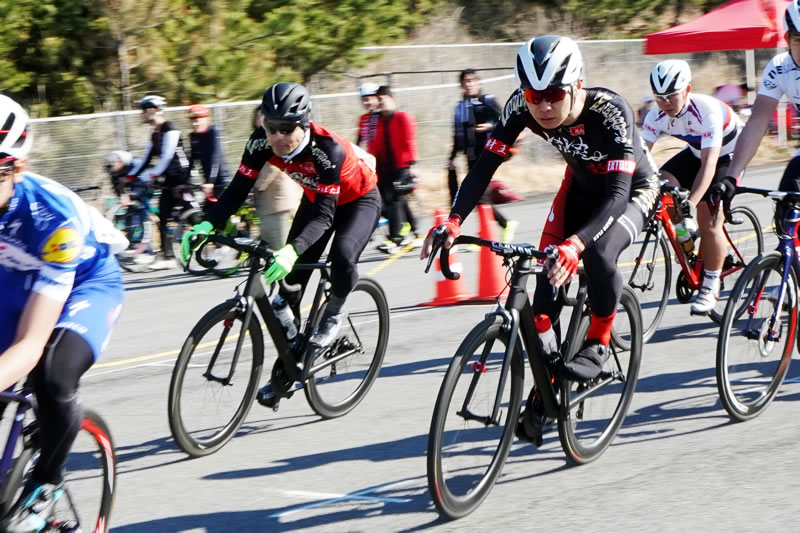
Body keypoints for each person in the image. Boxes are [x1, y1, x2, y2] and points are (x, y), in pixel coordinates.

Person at [421, 35, 660, 382]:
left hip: (631, 190)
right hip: (578, 186)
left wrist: (576, 244)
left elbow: (617, 194)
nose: (544, 107)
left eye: (554, 95)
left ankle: (598, 342)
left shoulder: (610, 110)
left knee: (598, 256)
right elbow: (484, 166)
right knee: (543, 284)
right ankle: (547, 385)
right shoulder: (519, 107)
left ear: (577, 85)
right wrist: (454, 220)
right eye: (535, 97)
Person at [181, 82, 381, 406]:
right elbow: (237, 188)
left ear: (304, 126)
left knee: (342, 256)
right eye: (271, 127)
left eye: (286, 129)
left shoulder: (327, 150)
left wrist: (292, 250)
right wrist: (207, 223)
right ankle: (289, 370)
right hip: (316, 202)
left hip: (358, 201)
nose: (277, 137)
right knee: (288, 288)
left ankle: (334, 313)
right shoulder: (261, 141)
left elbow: (325, 219)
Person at [0, 95, 127, 531]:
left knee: (51, 374)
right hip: (13, 277)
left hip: (85, 284)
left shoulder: (53, 216)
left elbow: (30, 343)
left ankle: (46, 483)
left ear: (15, 168)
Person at [642, 60, 743, 315]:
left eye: (671, 96)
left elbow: (709, 165)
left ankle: (710, 286)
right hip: (696, 152)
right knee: (662, 185)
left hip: (728, 156)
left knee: (709, 219)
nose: (665, 103)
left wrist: (692, 202)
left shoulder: (706, 110)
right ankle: (687, 233)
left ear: (686, 90)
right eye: (659, 97)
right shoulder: (656, 114)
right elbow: (639, 158)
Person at [716, 0, 800, 203]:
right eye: (799, 40)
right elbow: (757, 122)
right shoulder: (779, 68)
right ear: (787, 39)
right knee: (787, 208)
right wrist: (732, 175)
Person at [447, 69, 518, 243]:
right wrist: (451, 157)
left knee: (479, 195)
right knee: (478, 195)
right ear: (461, 85)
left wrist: (490, 126)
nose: (469, 84)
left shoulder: (487, 101)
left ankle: (495, 230)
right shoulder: (460, 107)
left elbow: (507, 120)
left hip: (487, 153)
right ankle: (500, 226)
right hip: (470, 156)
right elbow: (457, 135)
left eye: (472, 80)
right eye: (465, 81)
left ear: (478, 83)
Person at [127, 95, 191, 270]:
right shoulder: (155, 133)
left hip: (181, 177)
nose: (141, 114)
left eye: (143, 110)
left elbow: (167, 157)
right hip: (169, 179)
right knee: (163, 216)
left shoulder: (170, 128)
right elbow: (146, 159)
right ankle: (167, 257)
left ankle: (218, 243)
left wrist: (151, 176)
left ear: (152, 110)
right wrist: (131, 176)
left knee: (192, 215)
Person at [368, 85, 419, 254]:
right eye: (379, 100)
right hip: (383, 167)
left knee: (395, 201)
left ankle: (395, 239)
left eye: (384, 99)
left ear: (392, 99)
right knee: (393, 202)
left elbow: (410, 141)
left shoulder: (403, 117)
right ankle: (414, 230)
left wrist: (412, 166)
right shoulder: (377, 121)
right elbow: (374, 144)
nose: (381, 103)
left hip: (401, 166)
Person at [250, 106, 303, 247]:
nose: (261, 121)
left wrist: (257, 185)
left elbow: (272, 166)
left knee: (280, 246)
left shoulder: (277, 138)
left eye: (265, 118)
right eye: (259, 117)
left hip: (278, 201)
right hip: (273, 202)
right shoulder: (257, 140)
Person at [187, 104, 229, 207]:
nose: (194, 124)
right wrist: (186, 179)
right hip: (207, 181)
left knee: (220, 213)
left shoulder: (213, 132)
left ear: (206, 119)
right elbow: (192, 159)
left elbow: (215, 157)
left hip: (220, 180)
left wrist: (211, 181)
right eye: (192, 121)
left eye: (197, 120)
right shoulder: (193, 136)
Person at [356, 82, 380, 147]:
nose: (364, 102)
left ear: (377, 98)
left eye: (367, 99)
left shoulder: (384, 116)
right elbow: (359, 139)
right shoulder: (363, 118)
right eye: (362, 100)